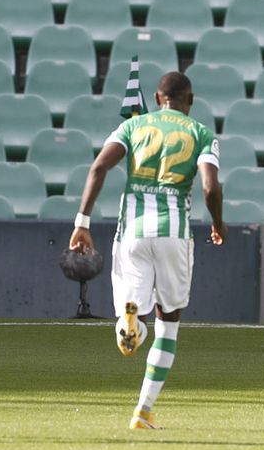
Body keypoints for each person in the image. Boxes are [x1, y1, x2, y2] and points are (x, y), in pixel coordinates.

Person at [69, 71, 226, 430]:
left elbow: (99, 166)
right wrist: (218, 223)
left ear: (157, 98)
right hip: (174, 233)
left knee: (137, 315)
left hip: (133, 232)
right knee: (168, 322)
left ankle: (131, 324)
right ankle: (144, 410)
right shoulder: (201, 133)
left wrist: (82, 222)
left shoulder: (133, 126)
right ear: (191, 100)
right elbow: (210, 186)